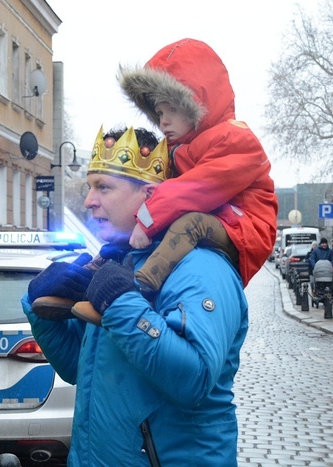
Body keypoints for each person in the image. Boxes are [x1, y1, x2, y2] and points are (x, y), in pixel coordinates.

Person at [23, 125, 248, 466]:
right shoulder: (118, 261)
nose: (89, 201)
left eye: (104, 187)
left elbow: (194, 378)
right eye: (89, 187)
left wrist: (119, 302)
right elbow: (84, 371)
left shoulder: (202, 268)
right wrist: (43, 312)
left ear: (149, 196)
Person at [117, 38, 278, 296]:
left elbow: (196, 190)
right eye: (159, 113)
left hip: (246, 226)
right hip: (218, 217)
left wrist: (146, 219)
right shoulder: (175, 148)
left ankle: (139, 288)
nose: (164, 121)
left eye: (172, 109)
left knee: (191, 224)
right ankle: (99, 272)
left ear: (196, 105)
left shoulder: (236, 139)